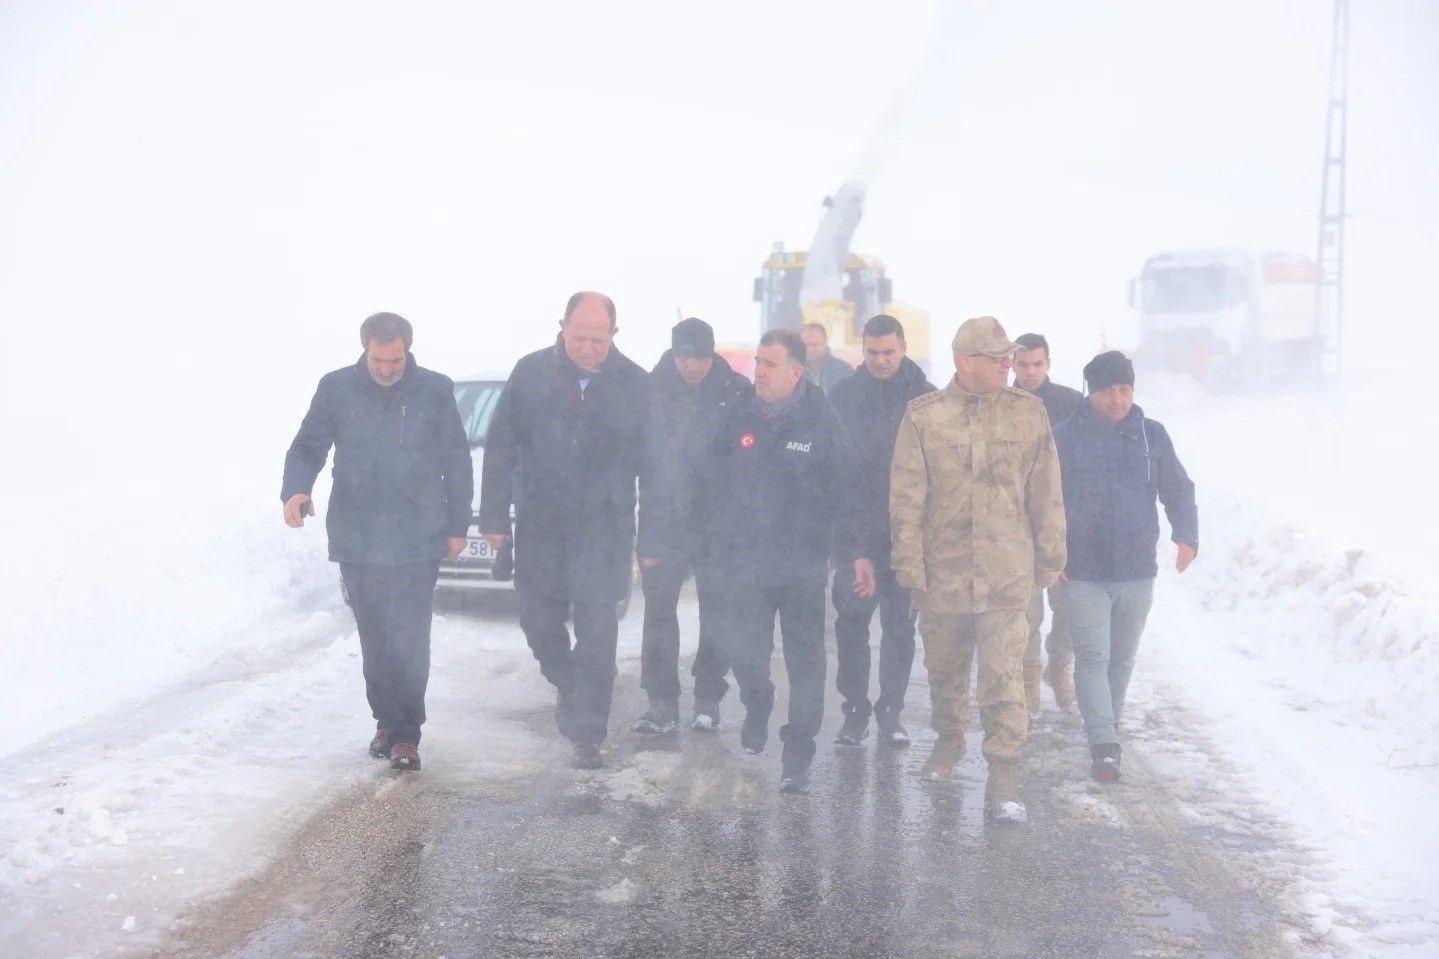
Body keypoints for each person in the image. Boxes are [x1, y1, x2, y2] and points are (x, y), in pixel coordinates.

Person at [890, 316, 1066, 823]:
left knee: (1003, 676)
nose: (1009, 365)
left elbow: (1047, 493)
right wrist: (909, 565)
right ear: (966, 362)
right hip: (942, 575)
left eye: (1011, 357)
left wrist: (1051, 558)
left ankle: (1003, 774)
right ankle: (949, 742)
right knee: (944, 670)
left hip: (1007, 575)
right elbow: (906, 497)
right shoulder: (923, 417)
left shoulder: (1029, 414)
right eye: (998, 358)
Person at [281, 312, 473, 772]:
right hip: (358, 532)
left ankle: (407, 735)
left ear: (407, 350)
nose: (386, 369)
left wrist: (456, 526)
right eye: (377, 359)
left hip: (417, 532)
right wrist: (297, 489)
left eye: (395, 359)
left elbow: (457, 459)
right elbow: (308, 445)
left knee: (409, 635)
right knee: (375, 636)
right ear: (364, 349)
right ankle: (385, 721)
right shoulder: (337, 387)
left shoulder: (434, 389)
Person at [479, 292, 651, 770]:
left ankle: (587, 735)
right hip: (542, 525)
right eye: (579, 338)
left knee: (598, 634)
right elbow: (500, 447)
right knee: (538, 623)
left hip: (605, 529)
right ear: (561, 327)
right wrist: (493, 517)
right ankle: (571, 686)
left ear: (614, 335)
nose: (588, 348)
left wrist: (657, 534)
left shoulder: (636, 384)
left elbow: (655, 466)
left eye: (598, 339)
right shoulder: (530, 373)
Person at [701, 328, 867, 794]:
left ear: (797, 372)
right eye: (758, 362)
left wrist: (854, 552)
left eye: (770, 364)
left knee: (805, 663)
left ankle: (798, 753)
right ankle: (758, 702)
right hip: (746, 565)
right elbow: (712, 481)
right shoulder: (740, 415)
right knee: (746, 655)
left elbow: (848, 492)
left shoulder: (821, 423)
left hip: (800, 569)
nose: (759, 371)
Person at [1053, 350, 1197, 783]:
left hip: (1137, 568)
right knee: (1092, 656)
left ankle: (1106, 731)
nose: (1116, 399)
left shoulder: (1152, 436)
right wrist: (1050, 551)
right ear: (1090, 392)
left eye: (1124, 390)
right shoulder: (1064, 438)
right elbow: (1043, 500)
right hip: (1081, 570)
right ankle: (1103, 743)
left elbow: (1178, 489)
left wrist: (1185, 535)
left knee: (1122, 658)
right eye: (1107, 391)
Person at [632, 317, 750, 734]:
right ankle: (660, 701)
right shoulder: (651, 389)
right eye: (685, 358)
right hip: (664, 520)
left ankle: (708, 697)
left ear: (712, 354)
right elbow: (638, 458)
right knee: (659, 612)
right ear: (673, 354)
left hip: (719, 526)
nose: (692, 367)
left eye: (700, 357)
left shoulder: (736, 391)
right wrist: (646, 535)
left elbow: (749, 455)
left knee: (717, 613)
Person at [826, 314, 937, 747]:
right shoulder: (844, 396)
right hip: (855, 537)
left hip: (908, 539)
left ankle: (891, 712)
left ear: (904, 348)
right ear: (863, 350)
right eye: (872, 352)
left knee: (899, 631)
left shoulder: (925, 400)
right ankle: (854, 712)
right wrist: (851, 547)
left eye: (888, 352)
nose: (880, 360)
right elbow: (835, 475)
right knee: (851, 628)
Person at [1012, 332, 1084, 715]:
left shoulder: (1072, 404)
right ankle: (1027, 677)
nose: (1030, 371)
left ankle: (1059, 664)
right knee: (1025, 613)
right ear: (1012, 365)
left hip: (1063, 524)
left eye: (1037, 363)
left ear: (1048, 363)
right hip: (1016, 526)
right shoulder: (998, 406)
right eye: (1023, 364)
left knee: (1069, 607)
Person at [800, 322, 854, 395]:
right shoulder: (793, 370)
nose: (810, 349)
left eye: (815, 345)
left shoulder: (843, 370)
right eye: (806, 344)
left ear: (825, 343)